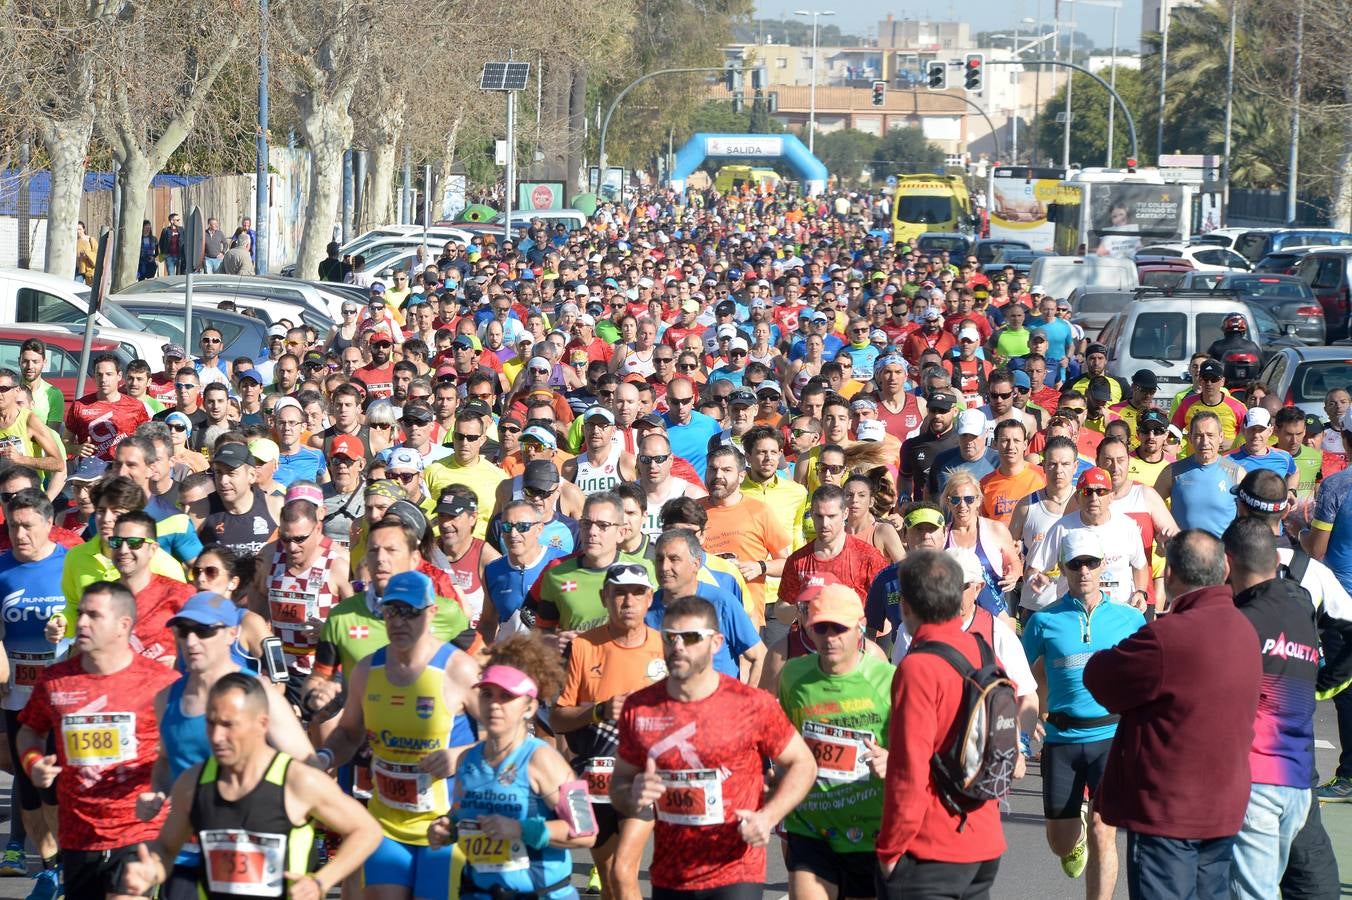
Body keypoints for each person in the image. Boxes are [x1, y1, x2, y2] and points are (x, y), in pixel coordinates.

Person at [1083, 531, 1263, 900]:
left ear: (1172, 577)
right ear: (1225, 567)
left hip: (1167, 812)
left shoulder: (1167, 636)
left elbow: (1099, 677)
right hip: (1224, 808)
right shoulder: (1245, 629)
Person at [609, 595, 817, 900]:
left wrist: (768, 817)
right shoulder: (640, 707)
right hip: (671, 872)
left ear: (716, 642)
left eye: (691, 637)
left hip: (735, 868)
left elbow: (804, 763)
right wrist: (632, 794)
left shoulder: (750, 704)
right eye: (670, 637)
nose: (678, 646)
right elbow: (620, 784)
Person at [120, 672, 382, 900]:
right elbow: (167, 847)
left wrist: (320, 881)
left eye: (229, 725)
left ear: (262, 724)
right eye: (211, 723)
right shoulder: (193, 782)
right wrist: (151, 870)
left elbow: (367, 831)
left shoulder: (298, 781)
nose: (217, 736)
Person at [317, 570, 481, 900]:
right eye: (391, 611)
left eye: (410, 612)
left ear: (431, 612)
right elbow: (349, 733)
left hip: (443, 827)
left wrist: (459, 756)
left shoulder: (459, 669)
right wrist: (322, 757)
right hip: (385, 824)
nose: (399, 621)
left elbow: (505, 740)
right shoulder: (367, 670)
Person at [17, 581, 179, 899]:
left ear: (123, 625)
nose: (81, 623)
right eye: (80, 614)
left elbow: (191, 749)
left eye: (94, 615)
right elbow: (29, 731)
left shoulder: (161, 683)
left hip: (138, 829)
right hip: (78, 832)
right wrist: (33, 763)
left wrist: (165, 788)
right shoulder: (56, 680)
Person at [1021, 531, 1145, 898]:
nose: (1085, 571)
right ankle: (1071, 836)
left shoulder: (1130, 619)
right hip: (1061, 740)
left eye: (1091, 562)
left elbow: (1148, 676)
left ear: (1103, 564)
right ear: (1063, 568)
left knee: (1103, 830)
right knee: (1061, 843)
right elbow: (1017, 674)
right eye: (1076, 564)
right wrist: (1025, 722)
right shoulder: (1043, 622)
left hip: (1111, 736)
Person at [427, 634, 597, 900]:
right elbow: (462, 814)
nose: (494, 704)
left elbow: (586, 832)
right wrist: (446, 828)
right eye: (487, 694)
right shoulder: (468, 760)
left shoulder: (544, 761)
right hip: (478, 893)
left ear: (529, 706)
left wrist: (520, 829)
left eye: (507, 696)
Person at [876, 550, 1004, 898]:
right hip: (983, 836)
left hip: (931, 847)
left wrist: (890, 847)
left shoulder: (918, 667)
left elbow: (909, 769)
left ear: (905, 605)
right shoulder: (982, 650)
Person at [1216, 518, 1320, 899]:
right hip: (1296, 781)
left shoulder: (1238, 622)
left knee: (1252, 893)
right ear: (1275, 558)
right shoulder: (1301, 609)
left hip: (1254, 780)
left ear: (1226, 564)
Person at [552, 563, 667, 899]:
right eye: (619, 593)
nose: (627, 601)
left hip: (644, 779)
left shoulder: (666, 647)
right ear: (605, 598)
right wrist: (598, 711)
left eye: (636, 593)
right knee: (609, 876)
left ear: (649, 599)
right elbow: (558, 718)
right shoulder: (583, 646)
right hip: (595, 777)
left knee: (623, 870)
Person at [776, 582, 894, 900]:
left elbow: (917, 751)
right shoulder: (792, 676)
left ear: (860, 628)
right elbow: (785, 743)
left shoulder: (889, 679)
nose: (829, 638)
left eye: (838, 628)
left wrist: (892, 759)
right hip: (810, 825)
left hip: (870, 829)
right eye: (821, 628)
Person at [0, 488, 60, 879]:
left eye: (28, 526)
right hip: (17, 689)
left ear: (49, 523)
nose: (20, 535)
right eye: (13, 526)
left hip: (63, 692)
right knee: (26, 779)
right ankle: (48, 865)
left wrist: (68, 634)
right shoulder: (1, 569)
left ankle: (68, 860)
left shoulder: (72, 565)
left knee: (59, 781)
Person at [1156, 412, 1245, 539]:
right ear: (1190, 438)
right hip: (1182, 555)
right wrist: (1162, 536)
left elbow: (1249, 519)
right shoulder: (1172, 472)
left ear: (1221, 437)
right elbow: (1151, 508)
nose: (1205, 442)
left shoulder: (1237, 474)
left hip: (1221, 555)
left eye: (1210, 435)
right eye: (1198, 436)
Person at [65, 354, 150, 461]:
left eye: (109, 374)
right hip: (89, 472)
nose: (103, 379)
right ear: (94, 377)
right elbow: (64, 443)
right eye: (99, 375)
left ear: (119, 376)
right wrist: (76, 449)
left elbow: (147, 443)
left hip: (123, 471)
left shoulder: (136, 406)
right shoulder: (80, 406)